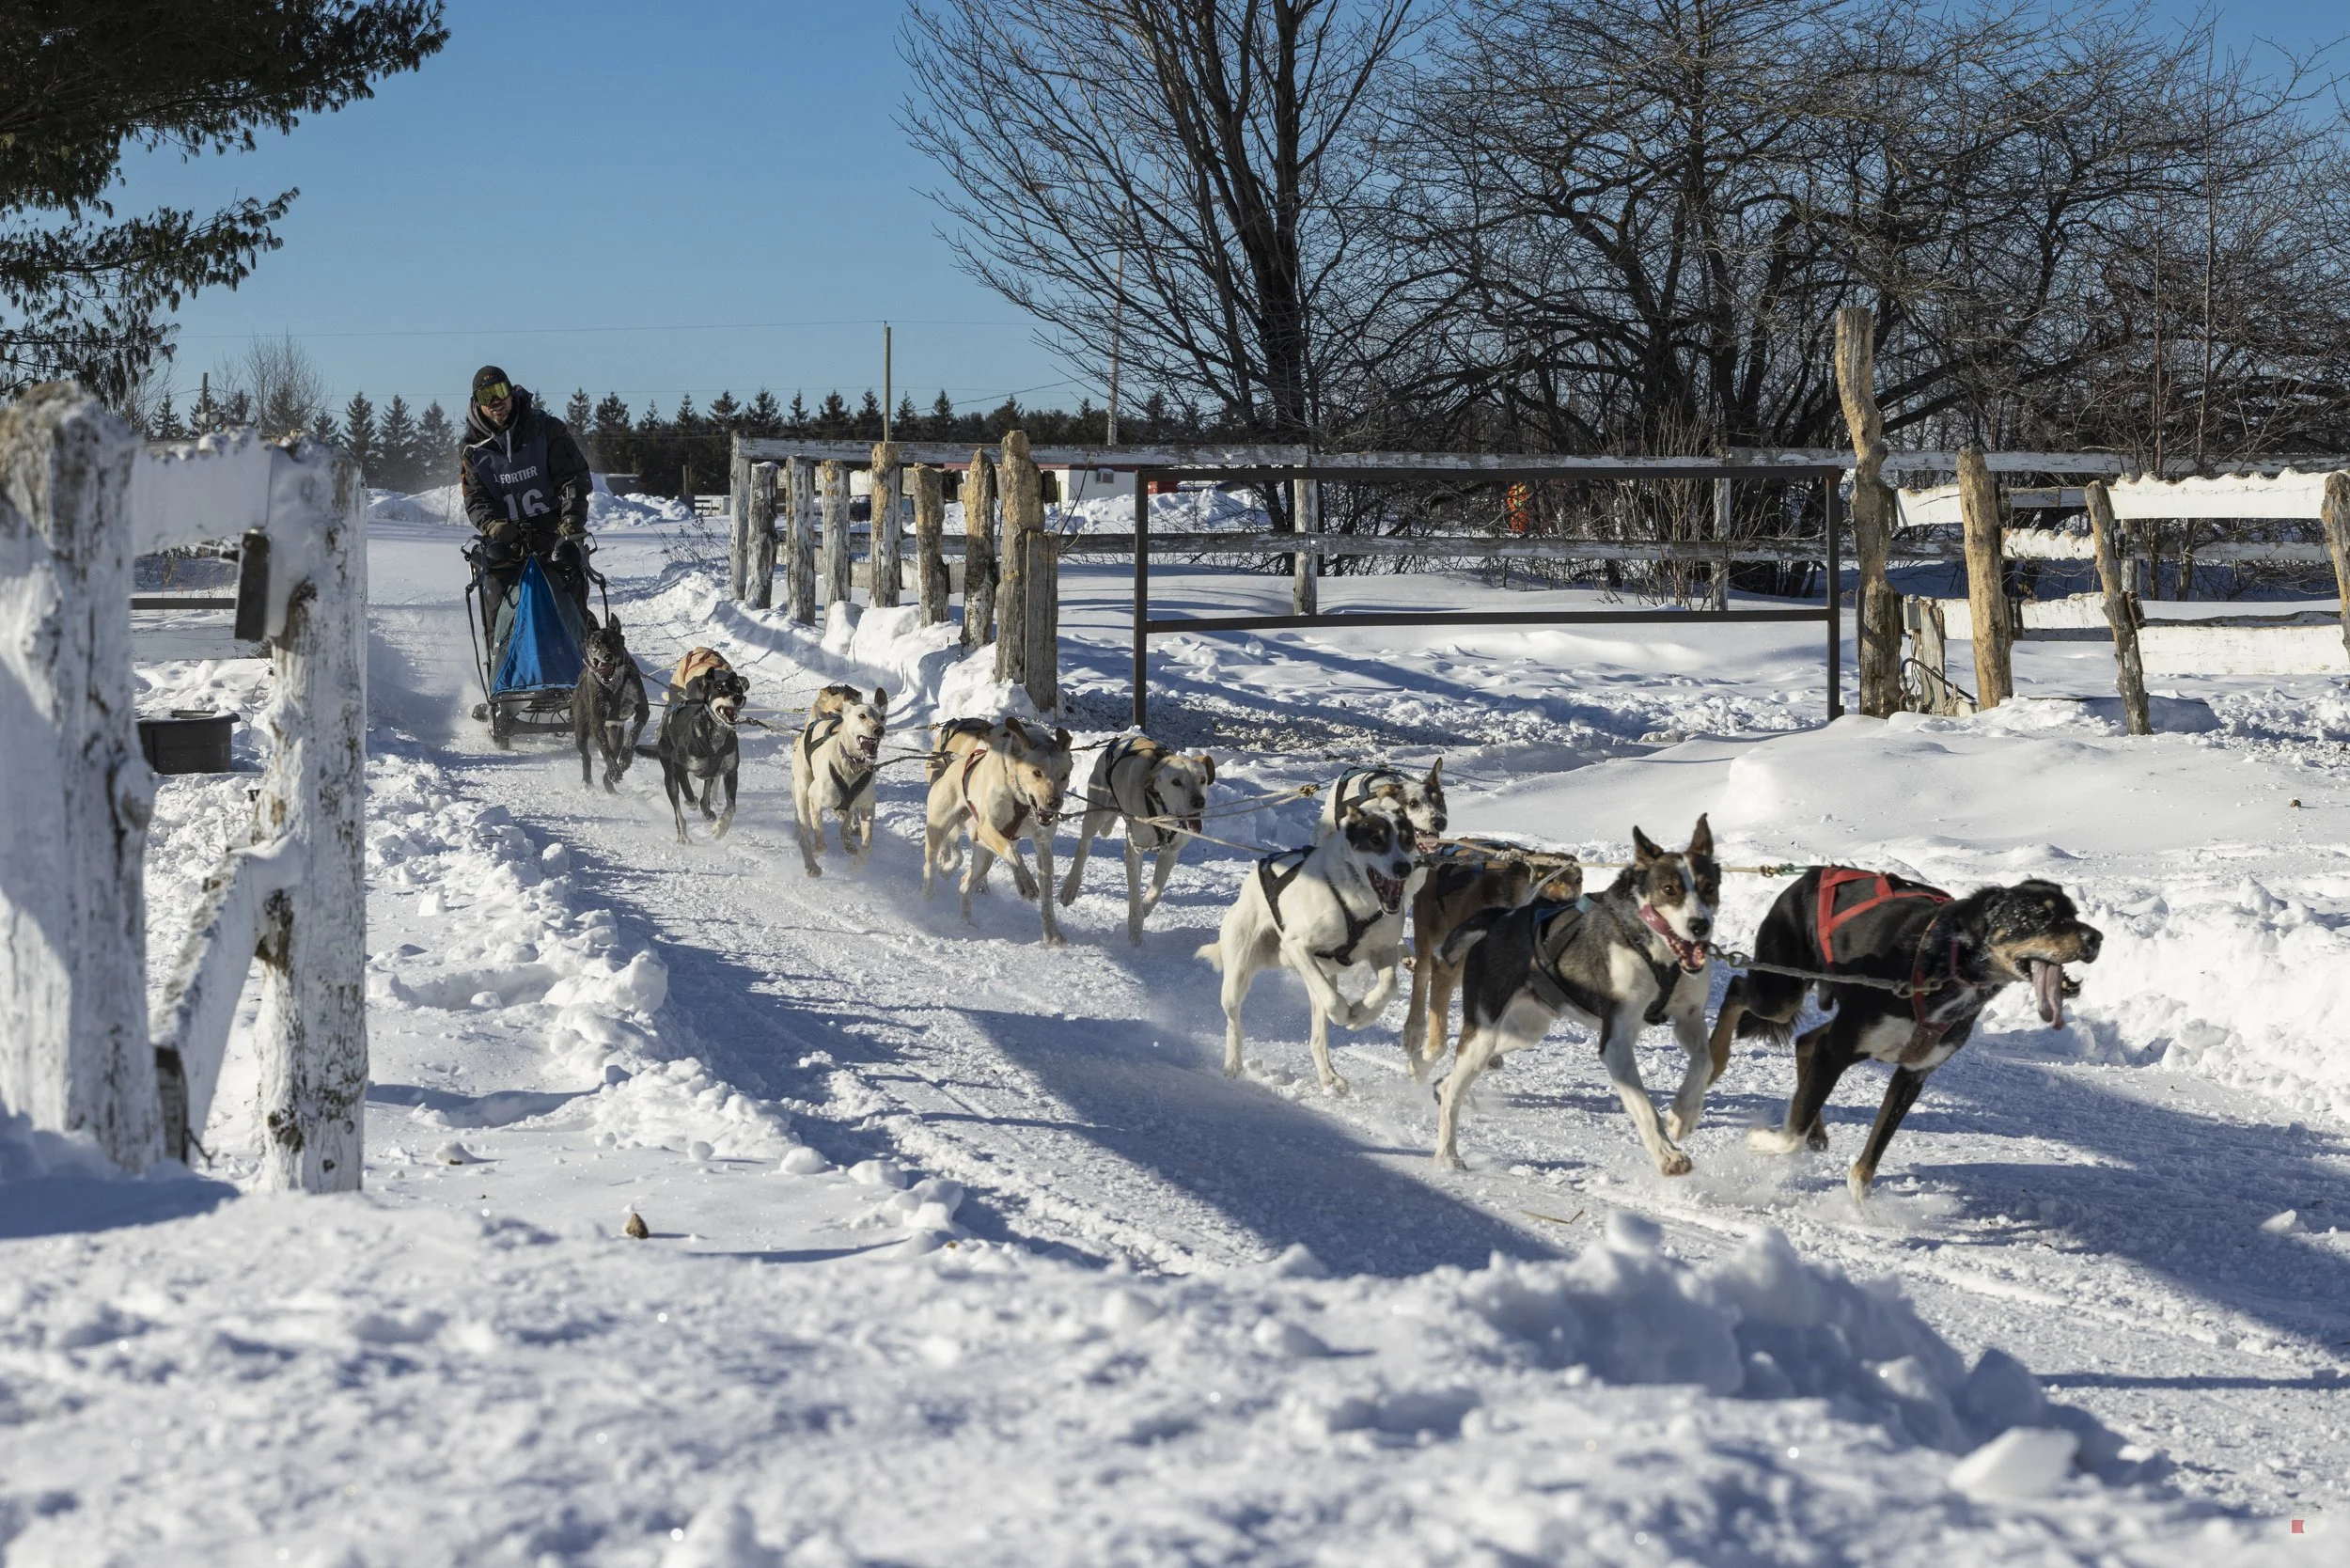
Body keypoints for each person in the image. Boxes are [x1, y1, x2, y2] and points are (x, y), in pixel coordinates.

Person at [461, 365, 593, 634]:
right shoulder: (472, 450)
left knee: (569, 564)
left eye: (500, 391)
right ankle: (501, 655)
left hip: (552, 527)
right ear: (477, 403)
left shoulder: (546, 429)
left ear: (511, 392)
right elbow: (475, 497)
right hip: (506, 536)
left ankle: (580, 648)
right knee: (494, 578)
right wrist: (491, 526)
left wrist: (571, 519)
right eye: (487, 396)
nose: (496, 402)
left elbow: (573, 478)